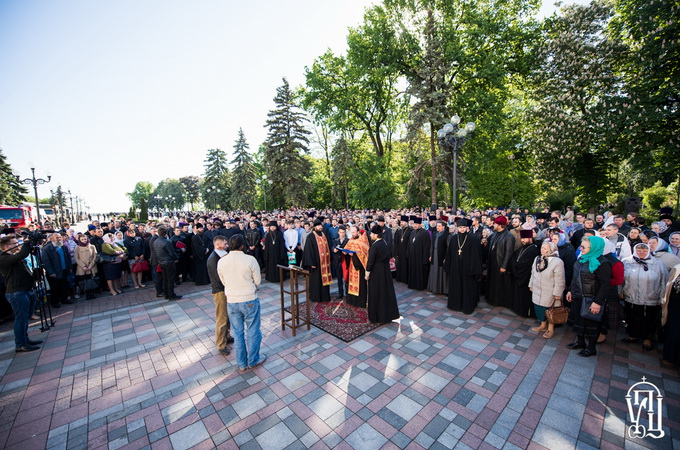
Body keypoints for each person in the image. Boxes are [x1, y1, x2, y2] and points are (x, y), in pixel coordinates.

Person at [217, 235, 266, 372]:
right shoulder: (249, 259)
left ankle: (242, 363)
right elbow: (257, 280)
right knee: (253, 330)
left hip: (232, 299)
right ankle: (253, 360)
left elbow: (223, 280)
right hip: (249, 298)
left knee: (238, 333)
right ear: (243, 246)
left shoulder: (222, 261)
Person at [565, 235, 612, 357]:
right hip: (578, 296)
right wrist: (570, 290)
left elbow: (605, 285)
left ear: (594, 247)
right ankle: (580, 342)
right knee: (578, 320)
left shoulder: (602, 263)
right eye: (581, 246)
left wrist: (597, 302)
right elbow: (575, 277)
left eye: (584, 247)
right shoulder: (582, 259)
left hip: (591, 298)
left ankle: (591, 348)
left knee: (592, 324)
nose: (581, 249)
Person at [619, 243, 666, 351]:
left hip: (650, 297)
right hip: (631, 294)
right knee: (632, 316)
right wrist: (620, 291)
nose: (641, 253)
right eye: (639, 251)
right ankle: (633, 335)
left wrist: (662, 297)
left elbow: (663, 281)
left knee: (648, 318)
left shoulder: (658, 264)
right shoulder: (627, 261)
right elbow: (621, 278)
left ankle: (647, 339)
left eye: (644, 251)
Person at [0, 236, 43, 352]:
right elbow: (23, 254)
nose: (18, 245)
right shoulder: (3, 258)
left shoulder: (12, 257)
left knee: (26, 317)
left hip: (26, 289)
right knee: (21, 318)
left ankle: (25, 339)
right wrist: (26, 242)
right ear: (7, 247)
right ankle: (20, 343)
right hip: (16, 292)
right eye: (15, 243)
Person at [443, 218, 483, 315]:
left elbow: (475, 255)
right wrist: (447, 264)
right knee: (456, 285)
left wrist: (474, 269)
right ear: (457, 228)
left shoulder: (472, 239)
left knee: (467, 286)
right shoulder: (453, 238)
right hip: (455, 267)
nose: (462, 229)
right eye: (460, 227)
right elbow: (450, 253)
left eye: (464, 227)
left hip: (467, 268)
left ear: (467, 228)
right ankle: (455, 305)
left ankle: (467, 306)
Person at [529, 241, 565, 339]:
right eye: (542, 248)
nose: (542, 250)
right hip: (538, 288)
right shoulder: (537, 258)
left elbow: (560, 280)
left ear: (551, 250)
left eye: (545, 248)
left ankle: (550, 329)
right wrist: (531, 284)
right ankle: (543, 325)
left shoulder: (557, 262)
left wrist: (557, 293)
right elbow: (533, 272)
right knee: (539, 307)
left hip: (550, 290)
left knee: (550, 310)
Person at [365, 225, 400, 323]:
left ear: (376, 235)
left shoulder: (375, 245)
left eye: (371, 233)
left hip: (376, 271)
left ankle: (376, 317)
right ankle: (386, 315)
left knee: (376, 293)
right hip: (385, 271)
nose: (370, 235)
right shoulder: (384, 242)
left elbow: (370, 261)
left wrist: (367, 273)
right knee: (384, 293)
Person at [207, 235, 233, 356]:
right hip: (219, 291)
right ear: (218, 245)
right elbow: (218, 278)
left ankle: (226, 336)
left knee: (227, 317)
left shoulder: (221, 256)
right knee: (221, 318)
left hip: (224, 290)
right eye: (225, 243)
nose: (227, 246)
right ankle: (221, 344)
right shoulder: (213, 259)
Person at [510, 229, 541, 318]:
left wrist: (516, 265)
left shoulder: (534, 250)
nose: (522, 240)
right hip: (518, 275)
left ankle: (523, 312)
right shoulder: (521, 248)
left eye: (525, 238)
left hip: (525, 277)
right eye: (522, 238)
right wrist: (515, 265)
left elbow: (527, 264)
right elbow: (514, 258)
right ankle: (516, 309)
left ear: (530, 238)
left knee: (524, 296)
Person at [486, 216, 515, 307]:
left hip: (500, 262)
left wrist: (504, 266)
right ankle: (490, 298)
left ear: (500, 225)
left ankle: (498, 301)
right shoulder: (494, 233)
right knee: (492, 281)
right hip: (492, 262)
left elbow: (508, 253)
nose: (493, 225)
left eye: (495, 223)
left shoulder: (509, 236)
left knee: (499, 283)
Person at [301, 219, 333, 302]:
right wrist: (311, 263)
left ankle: (325, 297)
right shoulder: (311, 236)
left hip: (325, 263)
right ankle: (316, 297)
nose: (320, 227)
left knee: (324, 282)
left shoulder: (323, 235)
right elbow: (308, 251)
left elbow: (328, 247)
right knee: (316, 281)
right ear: (315, 227)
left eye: (320, 225)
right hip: (316, 264)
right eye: (318, 226)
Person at [42, 233, 73, 307]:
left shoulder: (63, 247)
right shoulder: (47, 249)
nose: (59, 239)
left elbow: (68, 258)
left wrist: (70, 267)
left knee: (64, 285)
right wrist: (51, 272)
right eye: (57, 238)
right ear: (52, 239)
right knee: (55, 288)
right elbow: (46, 262)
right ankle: (55, 302)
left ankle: (64, 299)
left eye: (60, 237)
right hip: (54, 272)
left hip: (64, 269)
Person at [342, 225, 370, 307]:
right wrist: (345, 253)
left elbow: (365, 254)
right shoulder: (351, 239)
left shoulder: (363, 241)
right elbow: (346, 248)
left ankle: (360, 302)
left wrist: (353, 255)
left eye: (354, 232)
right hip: (352, 266)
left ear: (358, 232)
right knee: (351, 283)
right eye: (351, 232)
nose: (352, 234)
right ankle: (352, 300)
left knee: (361, 285)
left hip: (360, 267)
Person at [153, 227, 181, 300]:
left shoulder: (155, 241)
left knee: (165, 279)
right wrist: (176, 258)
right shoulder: (166, 242)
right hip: (168, 262)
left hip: (161, 262)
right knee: (170, 280)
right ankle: (171, 295)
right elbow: (171, 253)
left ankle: (166, 294)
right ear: (165, 233)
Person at [662, 262, 680, 366]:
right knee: (673, 332)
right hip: (675, 306)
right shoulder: (677, 268)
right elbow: (669, 285)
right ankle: (670, 357)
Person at [407, 217, 431, 290]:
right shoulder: (412, 232)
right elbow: (409, 244)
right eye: (414, 224)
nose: (415, 225)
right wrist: (408, 254)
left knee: (420, 272)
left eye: (417, 224)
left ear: (420, 224)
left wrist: (425, 258)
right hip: (412, 256)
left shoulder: (425, 233)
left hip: (420, 256)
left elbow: (427, 246)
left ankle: (420, 286)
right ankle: (413, 284)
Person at [427, 220, 449, 295]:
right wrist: (430, 255)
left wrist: (446, 258)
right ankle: (433, 287)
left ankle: (442, 289)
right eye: (437, 226)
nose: (437, 227)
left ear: (443, 227)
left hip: (441, 256)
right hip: (434, 254)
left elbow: (448, 248)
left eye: (439, 226)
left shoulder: (447, 235)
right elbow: (431, 245)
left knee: (441, 272)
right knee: (434, 270)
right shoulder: (435, 233)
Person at [74, 233, 98, 299]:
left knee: (91, 279)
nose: (84, 240)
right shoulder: (77, 248)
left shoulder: (92, 246)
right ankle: (87, 294)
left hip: (91, 266)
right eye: (82, 239)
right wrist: (83, 266)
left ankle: (92, 293)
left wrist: (91, 265)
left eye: (85, 239)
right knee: (85, 281)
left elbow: (95, 256)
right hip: (82, 268)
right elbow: (76, 258)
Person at [331, 225, 349, 298]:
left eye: (343, 232)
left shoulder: (348, 240)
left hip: (345, 261)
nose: (342, 234)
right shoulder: (336, 240)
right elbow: (332, 246)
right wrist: (333, 249)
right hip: (338, 262)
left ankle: (347, 293)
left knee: (346, 278)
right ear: (338, 232)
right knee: (339, 278)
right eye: (341, 232)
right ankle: (340, 292)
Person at [393, 215, 411, 283]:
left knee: (406, 266)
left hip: (406, 252)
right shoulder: (399, 231)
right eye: (401, 222)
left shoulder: (410, 230)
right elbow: (396, 243)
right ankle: (400, 278)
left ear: (406, 222)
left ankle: (405, 279)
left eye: (403, 222)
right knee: (400, 265)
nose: (401, 223)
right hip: (400, 251)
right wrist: (396, 252)